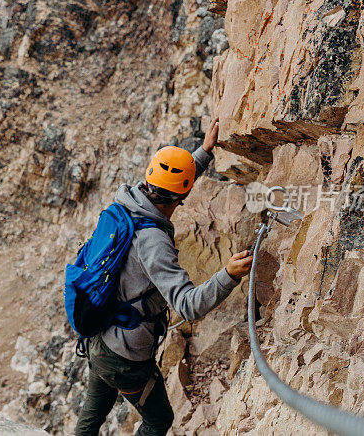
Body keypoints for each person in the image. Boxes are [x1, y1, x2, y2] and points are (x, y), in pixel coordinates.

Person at [74, 118, 253, 436]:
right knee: (158, 420)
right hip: (124, 358)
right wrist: (228, 275)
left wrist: (202, 154)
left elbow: (171, 184)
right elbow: (187, 305)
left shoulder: (128, 203)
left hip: (98, 337)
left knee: (91, 418)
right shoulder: (153, 240)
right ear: (177, 199)